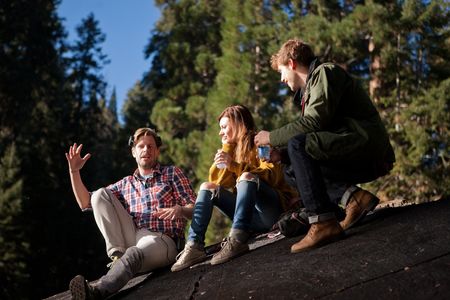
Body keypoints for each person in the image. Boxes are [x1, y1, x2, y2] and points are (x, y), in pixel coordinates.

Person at [254, 39, 395, 253]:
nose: (282, 79)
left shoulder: (325, 73)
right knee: (290, 166)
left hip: (366, 145)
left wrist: (271, 137)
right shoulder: (310, 90)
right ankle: (353, 199)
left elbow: (314, 123)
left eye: (281, 72)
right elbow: (316, 136)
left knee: (297, 145)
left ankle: (322, 222)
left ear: (292, 63)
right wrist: (280, 155)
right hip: (348, 148)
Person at [66, 128, 196, 299]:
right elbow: (86, 202)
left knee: (134, 253)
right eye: (141, 146)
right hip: (133, 237)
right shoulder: (126, 184)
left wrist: (181, 210)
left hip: (163, 241)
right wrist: (74, 172)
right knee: (99, 194)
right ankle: (117, 257)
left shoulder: (171, 173)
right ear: (133, 152)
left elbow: (195, 208)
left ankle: (97, 292)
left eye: (151, 146)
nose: (146, 150)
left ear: (157, 150)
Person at [171, 105, 298, 271]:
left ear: (239, 124)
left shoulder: (261, 143)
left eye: (224, 127)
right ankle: (194, 246)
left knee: (246, 177)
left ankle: (237, 240)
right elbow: (218, 182)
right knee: (207, 186)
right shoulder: (231, 150)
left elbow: (272, 176)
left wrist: (235, 165)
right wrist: (228, 149)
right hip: (249, 218)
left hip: (271, 211)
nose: (220, 132)